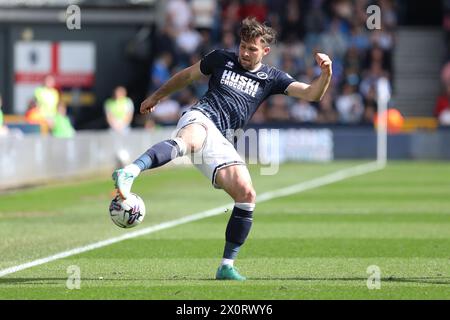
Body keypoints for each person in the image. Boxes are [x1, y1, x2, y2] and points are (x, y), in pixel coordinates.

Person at [112, 17, 332, 281]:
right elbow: (187, 75)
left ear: (265, 51)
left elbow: (311, 94)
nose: (245, 53)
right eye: (243, 46)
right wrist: (156, 96)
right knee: (189, 140)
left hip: (222, 141)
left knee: (246, 193)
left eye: (252, 49)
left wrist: (326, 74)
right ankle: (130, 172)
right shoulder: (220, 59)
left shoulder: (271, 77)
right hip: (201, 117)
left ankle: (226, 266)